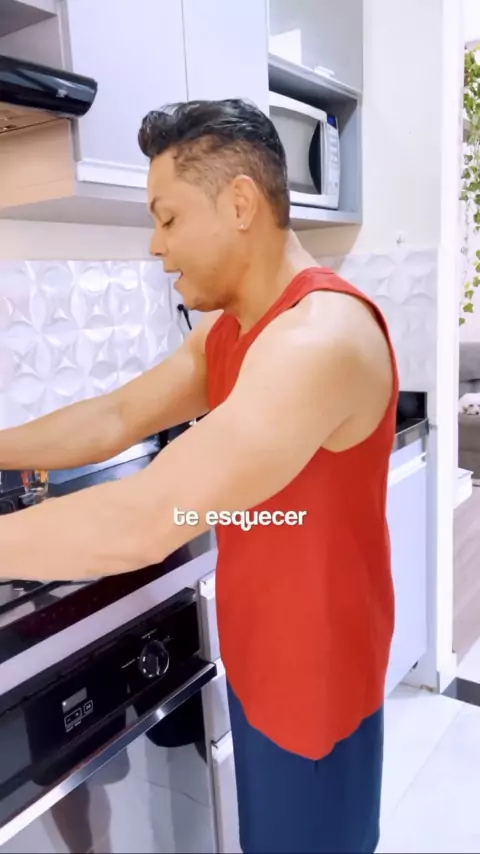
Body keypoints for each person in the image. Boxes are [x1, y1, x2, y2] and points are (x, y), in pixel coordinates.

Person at [0, 98, 398, 853]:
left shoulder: (322, 339)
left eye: (169, 218)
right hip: (259, 664)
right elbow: (115, 416)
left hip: (316, 694)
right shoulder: (234, 329)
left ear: (240, 203)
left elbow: (146, 520)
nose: (156, 245)